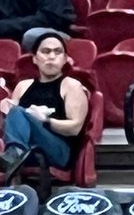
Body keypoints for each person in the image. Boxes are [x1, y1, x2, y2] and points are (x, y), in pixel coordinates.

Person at [0, 27, 86, 174]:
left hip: (59, 151)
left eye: (57, 52)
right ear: (35, 58)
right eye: (45, 52)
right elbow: (10, 127)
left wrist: (46, 121)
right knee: (14, 112)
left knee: (18, 112)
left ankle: (14, 155)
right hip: (28, 149)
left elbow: (75, 128)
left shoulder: (71, 85)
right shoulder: (22, 86)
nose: (51, 56)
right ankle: (15, 155)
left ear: (65, 59)